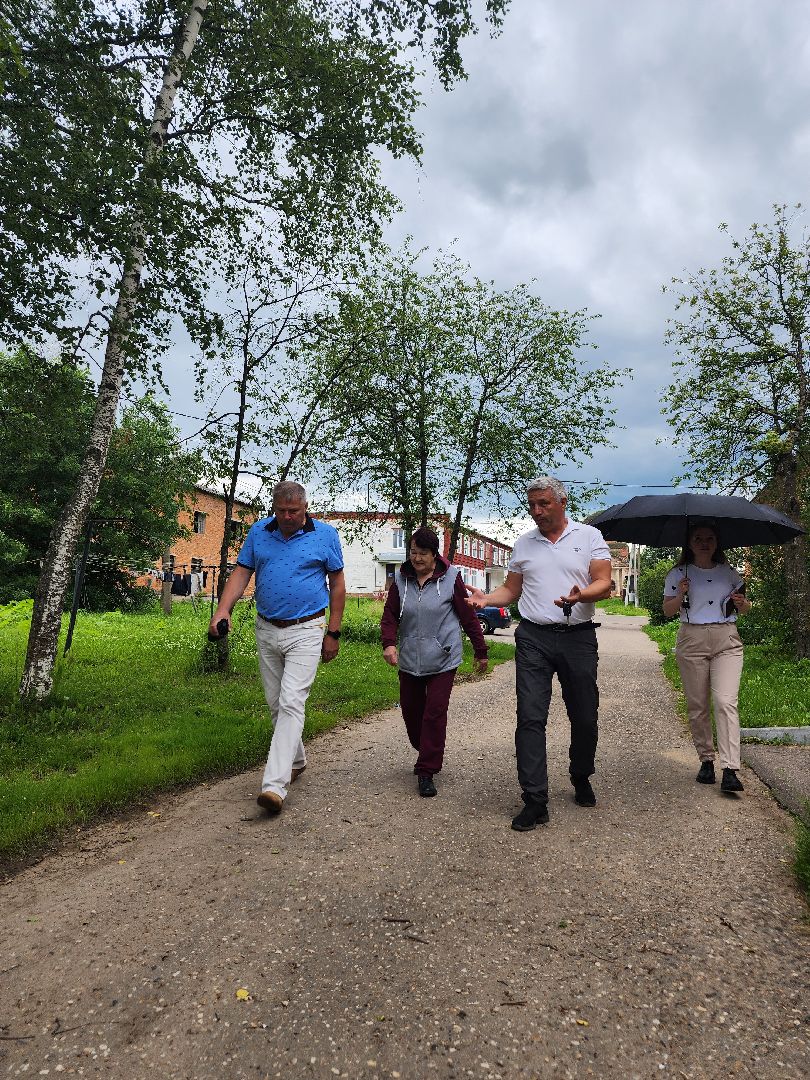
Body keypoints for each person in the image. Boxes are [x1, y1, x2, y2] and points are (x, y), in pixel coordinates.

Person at [466, 478, 612, 831]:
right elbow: (511, 589)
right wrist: (487, 599)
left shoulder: (588, 536)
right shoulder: (523, 544)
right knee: (530, 716)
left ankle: (580, 774)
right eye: (532, 505)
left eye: (544, 504)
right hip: (533, 637)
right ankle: (535, 799)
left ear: (562, 501)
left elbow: (604, 582)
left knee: (584, 715)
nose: (537, 511)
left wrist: (582, 596)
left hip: (577, 637)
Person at [209, 481, 345, 815]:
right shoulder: (258, 532)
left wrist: (334, 632)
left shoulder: (325, 535)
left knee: (291, 702)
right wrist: (223, 609)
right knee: (276, 705)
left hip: (307, 629)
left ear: (305, 507)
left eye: (293, 511)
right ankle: (297, 760)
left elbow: (338, 585)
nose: (286, 517)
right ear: (274, 507)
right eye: (281, 510)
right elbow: (242, 573)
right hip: (267, 628)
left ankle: (274, 786)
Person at [381, 526, 489, 797]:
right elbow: (390, 615)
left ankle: (426, 770)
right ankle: (427, 748)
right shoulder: (401, 580)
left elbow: (467, 616)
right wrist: (390, 643)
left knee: (434, 712)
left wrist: (481, 649)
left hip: (443, 657)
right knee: (411, 713)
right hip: (409, 657)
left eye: (423, 553)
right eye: (413, 552)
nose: (416, 558)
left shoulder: (451, 578)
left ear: (434, 555)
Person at [662, 521, 751, 794]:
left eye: (709, 538)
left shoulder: (730, 573)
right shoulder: (678, 573)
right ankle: (706, 761)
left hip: (727, 639)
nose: (704, 542)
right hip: (692, 638)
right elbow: (667, 611)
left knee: (725, 701)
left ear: (717, 542)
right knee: (698, 705)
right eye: (698, 538)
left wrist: (741, 603)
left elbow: (746, 608)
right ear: (689, 543)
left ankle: (730, 769)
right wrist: (681, 593)